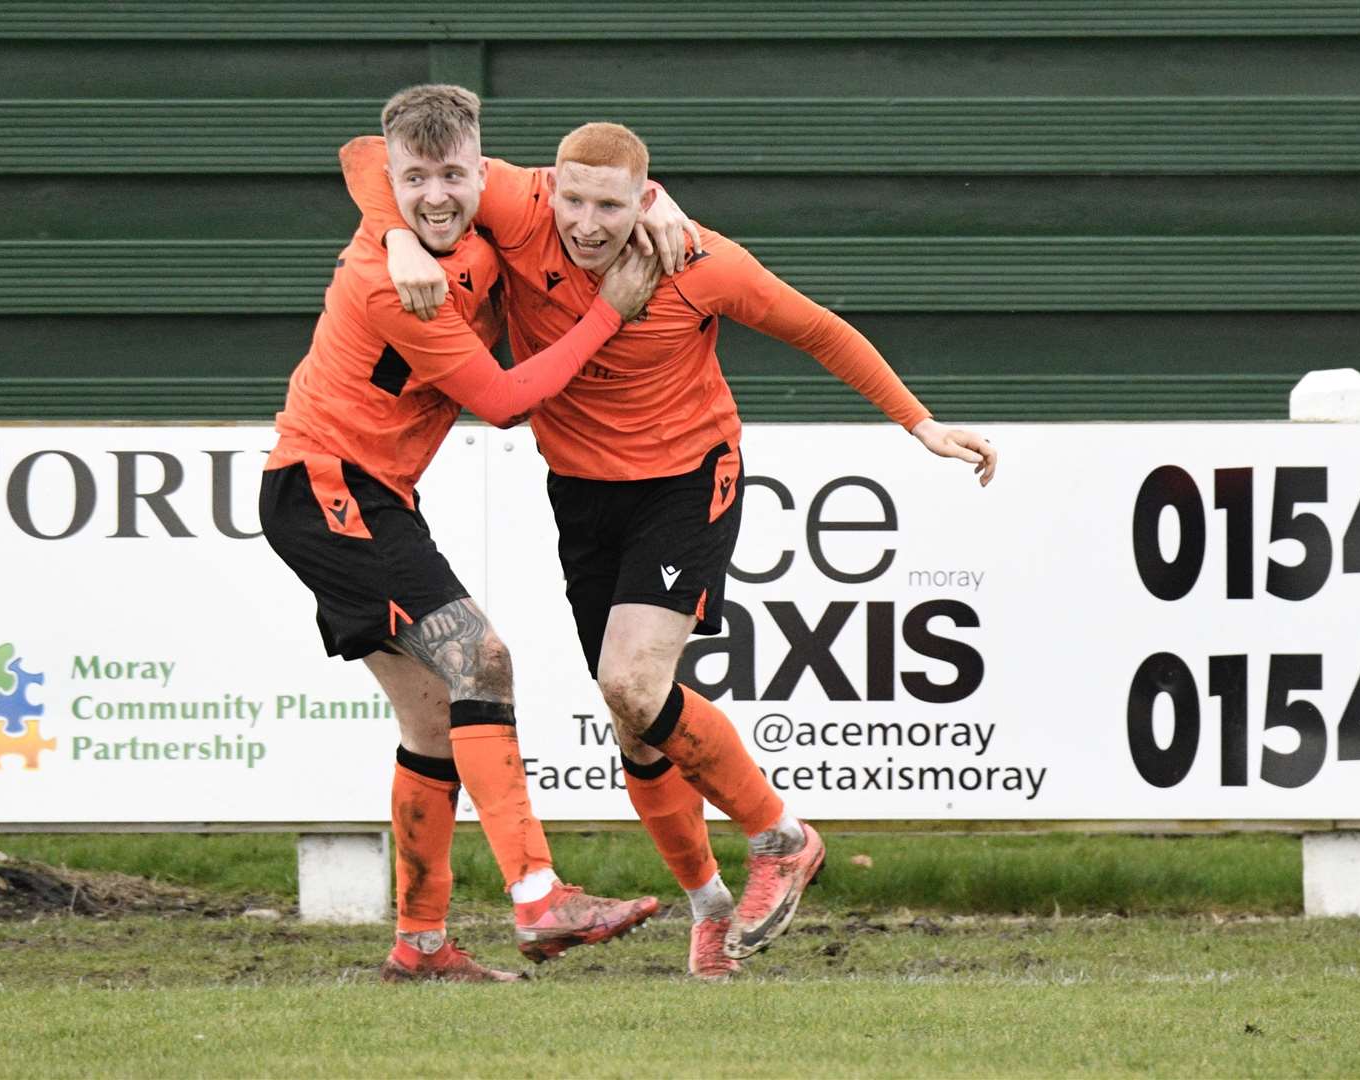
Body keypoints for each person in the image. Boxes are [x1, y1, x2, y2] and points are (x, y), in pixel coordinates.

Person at [341, 117, 999, 980]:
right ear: (548, 187)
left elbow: (821, 331)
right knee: (636, 722)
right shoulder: (519, 202)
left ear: (644, 201)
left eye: (607, 206)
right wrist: (398, 237)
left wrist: (919, 423)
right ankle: (711, 908)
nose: (584, 222)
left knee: (633, 684)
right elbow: (370, 153)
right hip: (580, 492)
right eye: (571, 199)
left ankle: (781, 839)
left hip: (687, 479)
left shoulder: (698, 259)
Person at [261, 86, 677, 983]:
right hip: (329, 488)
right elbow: (500, 404)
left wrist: (665, 200)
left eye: (453, 175)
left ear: (481, 171)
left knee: (435, 719)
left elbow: (356, 154)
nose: (437, 195)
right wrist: (613, 312)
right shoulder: (388, 282)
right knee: (482, 661)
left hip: (367, 494)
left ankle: (419, 944)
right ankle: (538, 896)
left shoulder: (467, 222)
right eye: (416, 181)